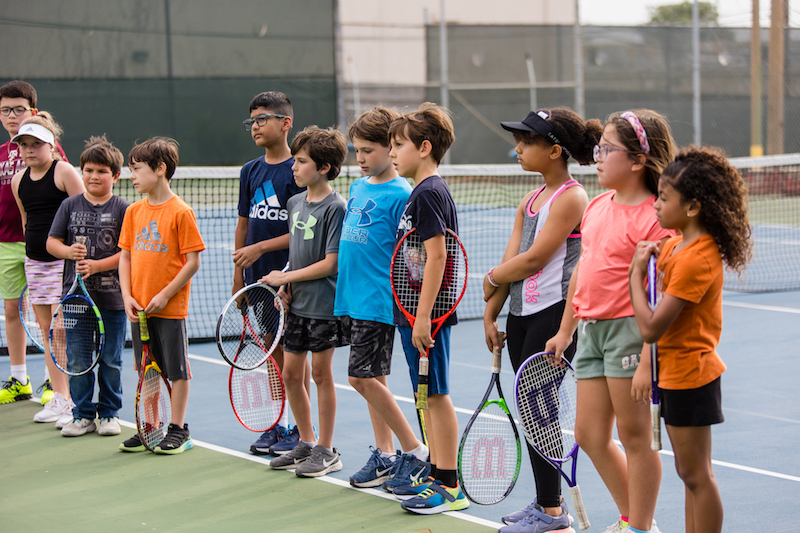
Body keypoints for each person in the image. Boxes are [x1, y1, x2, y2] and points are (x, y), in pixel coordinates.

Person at [545, 110, 676, 533]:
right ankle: (638, 521)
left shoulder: (658, 218)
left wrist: (646, 358)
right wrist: (566, 329)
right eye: (598, 147)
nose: (597, 156)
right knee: (588, 433)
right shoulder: (598, 206)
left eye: (608, 149)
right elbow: (583, 269)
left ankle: (637, 526)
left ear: (639, 159)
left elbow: (664, 295)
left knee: (635, 437)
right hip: (590, 331)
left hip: (630, 334)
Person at [482, 108, 602, 532]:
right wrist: (491, 311)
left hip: (553, 316)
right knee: (531, 409)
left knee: (539, 410)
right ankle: (545, 504)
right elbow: (511, 257)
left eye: (526, 141)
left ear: (554, 150)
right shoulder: (530, 200)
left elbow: (534, 259)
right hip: (520, 317)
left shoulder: (572, 196)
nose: (517, 148)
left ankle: (552, 511)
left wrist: (493, 278)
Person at [629, 146, 751, 533]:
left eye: (665, 199)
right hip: (673, 373)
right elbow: (664, 256)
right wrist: (651, 254)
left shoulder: (698, 258)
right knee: (689, 473)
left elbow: (650, 328)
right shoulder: (676, 245)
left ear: (694, 207)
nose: (657, 206)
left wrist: (635, 273)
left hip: (691, 376)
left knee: (697, 475)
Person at [334, 107, 429, 489]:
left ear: (390, 149)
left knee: (360, 377)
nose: (359, 159)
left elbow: (412, 257)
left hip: (378, 300)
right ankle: (385, 454)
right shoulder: (358, 187)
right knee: (375, 376)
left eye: (368, 151)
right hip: (352, 297)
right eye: (356, 151)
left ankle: (415, 451)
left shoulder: (402, 194)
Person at [381, 103, 468, 515]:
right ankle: (436, 473)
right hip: (414, 312)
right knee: (426, 396)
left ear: (425, 147)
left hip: (426, 315)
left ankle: (450, 485)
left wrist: (423, 316)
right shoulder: (421, 191)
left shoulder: (430, 193)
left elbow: (437, 258)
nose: (392, 152)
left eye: (398, 145)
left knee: (436, 395)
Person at [262, 125, 348, 477]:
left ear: (324, 167)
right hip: (295, 306)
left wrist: (285, 278)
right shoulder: (295, 202)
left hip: (324, 308)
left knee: (321, 375)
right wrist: (286, 282)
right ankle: (307, 442)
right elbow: (298, 254)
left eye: (301, 162)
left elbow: (331, 263)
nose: (293, 168)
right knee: (291, 373)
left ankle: (327, 451)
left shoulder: (336, 207)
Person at [234, 91, 310, 457]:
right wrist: (240, 280)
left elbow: (302, 228)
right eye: (251, 121)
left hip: (291, 281)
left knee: (294, 357)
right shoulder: (250, 171)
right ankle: (279, 424)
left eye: (262, 118)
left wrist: (265, 252)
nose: (255, 126)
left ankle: (302, 428)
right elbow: (244, 225)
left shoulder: (299, 169)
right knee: (272, 355)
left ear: (286, 123)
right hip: (258, 282)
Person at [117, 137, 205, 454]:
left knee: (176, 371)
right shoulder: (133, 212)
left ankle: (178, 429)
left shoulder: (181, 212)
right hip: (139, 309)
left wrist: (166, 295)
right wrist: (127, 295)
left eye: (137, 169)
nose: (132, 176)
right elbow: (125, 256)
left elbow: (193, 262)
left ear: (160, 169)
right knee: (146, 369)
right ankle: (151, 427)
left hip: (169, 310)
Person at [46, 135, 130, 437]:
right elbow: (52, 242)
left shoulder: (123, 208)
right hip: (75, 300)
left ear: (115, 176)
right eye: (89, 170)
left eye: (101, 171)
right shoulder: (69, 205)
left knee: (111, 359)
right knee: (79, 359)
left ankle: (109, 414)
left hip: (114, 301)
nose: (94, 176)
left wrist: (96, 265)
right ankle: (82, 414)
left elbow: (128, 253)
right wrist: (68, 251)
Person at [10, 113, 84, 425]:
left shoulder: (64, 171)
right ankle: (60, 396)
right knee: (46, 332)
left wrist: (76, 255)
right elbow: (27, 222)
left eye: (35, 144)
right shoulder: (18, 181)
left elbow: (83, 212)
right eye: (24, 145)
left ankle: (73, 399)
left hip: (63, 264)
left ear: (50, 145)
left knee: (61, 331)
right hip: (34, 263)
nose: (29, 150)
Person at [0, 80, 68, 406]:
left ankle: (55, 387)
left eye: (18, 109)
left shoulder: (58, 162)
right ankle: (21, 379)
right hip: (16, 248)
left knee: (58, 324)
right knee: (25, 314)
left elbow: (76, 205)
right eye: (5, 110)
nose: (11, 114)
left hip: (56, 254)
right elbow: (22, 210)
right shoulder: (8, 165)